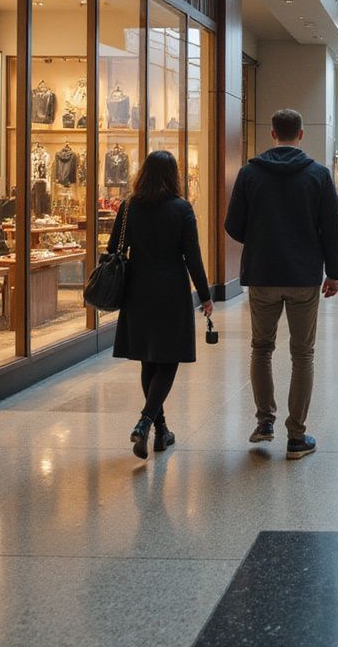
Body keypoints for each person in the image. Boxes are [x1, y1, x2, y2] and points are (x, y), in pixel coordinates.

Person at [225, 108, 338, 459]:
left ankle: (265, 422)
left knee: (261, 348)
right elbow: (331, 228)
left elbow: (233, 225)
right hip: (303, 276)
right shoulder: (319, 175)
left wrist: (261, 238)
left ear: (273, 134)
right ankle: (296, 436)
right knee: (302, 353)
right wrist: (333, 272)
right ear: (301, 134)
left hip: (262, 273)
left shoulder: (250, 174)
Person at [109, 150, 212, 461]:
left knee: (148, 360)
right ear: (173, 176)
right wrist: (206, 296)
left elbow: (114, 247)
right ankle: (145, 422)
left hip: (137, 288)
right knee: (167, 361)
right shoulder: (182, 209)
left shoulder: (129, 206)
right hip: (171, 290)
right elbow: (192, 256)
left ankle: (160, 431)